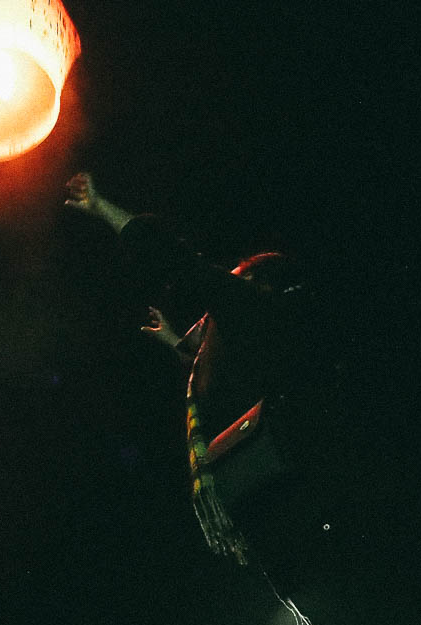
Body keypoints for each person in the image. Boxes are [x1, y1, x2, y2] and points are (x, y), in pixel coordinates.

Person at [64, 172, 322, 571]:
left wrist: (105, 211)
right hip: (261, 487)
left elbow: (177, 261)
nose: (228, 274)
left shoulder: (246, 302)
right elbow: (219, 368)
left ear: (254, 279)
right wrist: (175, 343)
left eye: (236, 270)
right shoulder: (244, 330)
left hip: (278, 480)